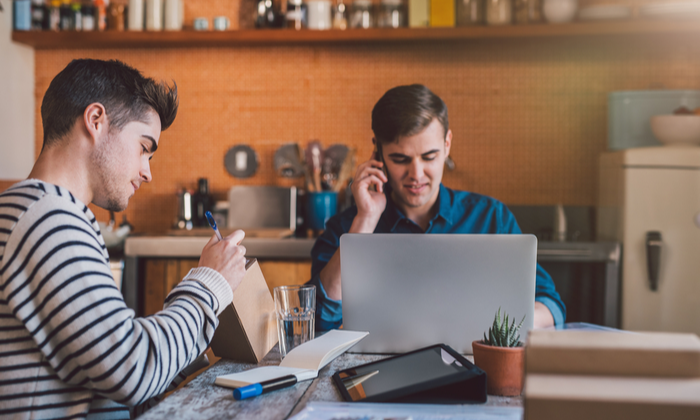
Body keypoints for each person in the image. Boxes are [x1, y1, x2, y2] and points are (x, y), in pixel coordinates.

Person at [0, 59, 247, 418]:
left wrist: (181, 355)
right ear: (96, 120)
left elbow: (96, 366)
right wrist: (211, 283)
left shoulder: (27, 209)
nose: (147, 172)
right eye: (144, 147)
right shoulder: (49, 219)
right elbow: (131, 370)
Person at [307, 84, 566, 332]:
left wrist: (486, 325)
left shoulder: (491, 218)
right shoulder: (347, 227)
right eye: (400, 159)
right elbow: (318, 318)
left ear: (447, 144)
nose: (416, 174)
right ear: (378, 152)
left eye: (429, 157)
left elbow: (551, 307)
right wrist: (365, 221)